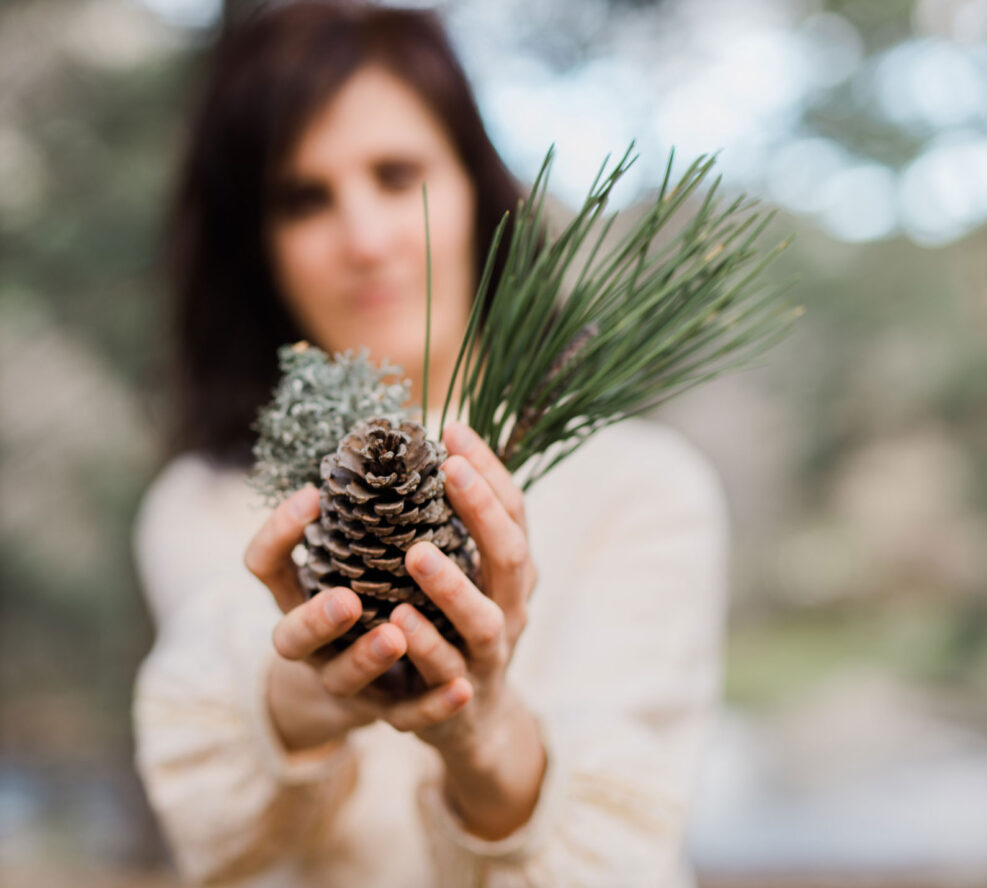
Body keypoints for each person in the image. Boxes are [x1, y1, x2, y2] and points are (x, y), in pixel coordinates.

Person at [132, 2, 730, 885]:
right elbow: (228, 850)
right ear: (255, 247)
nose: (367, 241)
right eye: (304, 199)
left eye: (396, 173)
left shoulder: (642, 488)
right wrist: (303, 694)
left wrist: (479, 730)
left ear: (473, 189)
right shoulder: (206, 504)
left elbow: (629, 852)